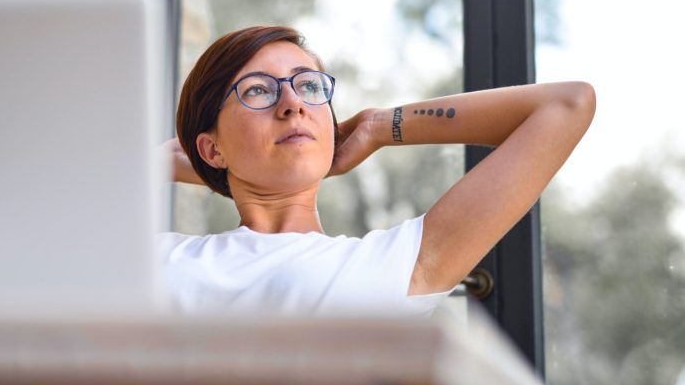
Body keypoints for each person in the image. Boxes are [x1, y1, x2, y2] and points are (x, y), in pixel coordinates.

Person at [161, 25, 595, 317]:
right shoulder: (163, 257)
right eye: (258, 90)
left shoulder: (392, 265)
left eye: (309, 85)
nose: (293, 103)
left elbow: (567, 105)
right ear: (210, 148)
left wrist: (377, 126)